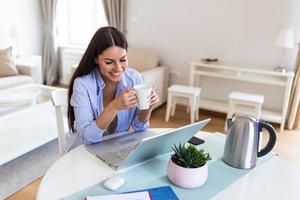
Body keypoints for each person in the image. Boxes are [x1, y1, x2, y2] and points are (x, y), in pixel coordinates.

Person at [67, 26, 159, 145]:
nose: (118, 68)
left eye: (123, 60)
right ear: (96, 59)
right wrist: (114, 106)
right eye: (109, 62)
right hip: (87, 150)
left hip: (117, 147)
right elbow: (87, 138)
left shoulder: (134, 78)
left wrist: (149, 107)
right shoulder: (83, 84)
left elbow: (139, 127)